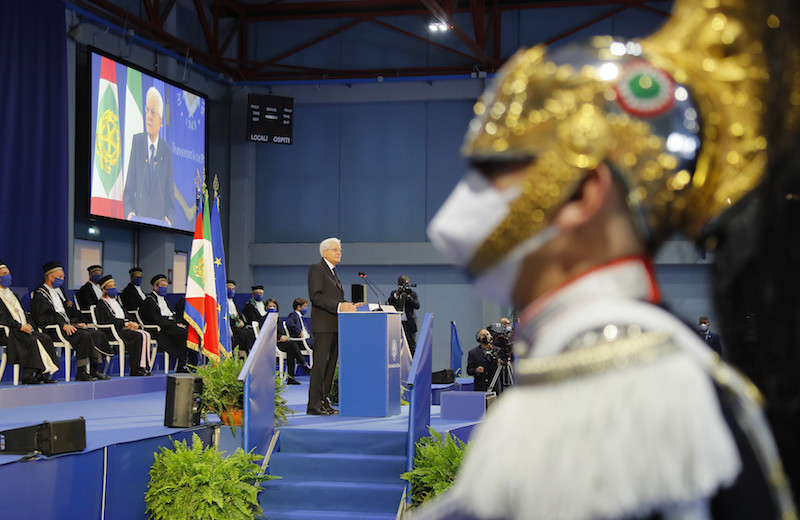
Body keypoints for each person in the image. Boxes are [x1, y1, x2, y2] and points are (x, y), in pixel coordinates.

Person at [419, 0, 794, 516]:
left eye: (494, 170)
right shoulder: (637, 352)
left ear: (580, 194)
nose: (463, 202)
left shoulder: (610, 373)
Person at [30, 262, 113, 381]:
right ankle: (81, 371)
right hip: (53, 330)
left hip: (67, 327)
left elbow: (66, 314)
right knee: (83, 336)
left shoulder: (57, 294)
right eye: (60, 277)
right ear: (50, 277)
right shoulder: (40, 295)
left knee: (97, 334)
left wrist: (76, 323)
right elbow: (42, 318)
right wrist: (63, 325)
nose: (62, 280)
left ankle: (95, 369)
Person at [306, 237, 358, 415]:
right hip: (323, 325)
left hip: (336, 325)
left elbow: (335, 299)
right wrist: (339, 306)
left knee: (330, 366)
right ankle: (313, 405)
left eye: (340, 250)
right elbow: (316, 297)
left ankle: (324, 401)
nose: (339, 252)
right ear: (324, 252)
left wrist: (348, 305)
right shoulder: (317, 269)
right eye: (335, 249)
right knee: (320, 365)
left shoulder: (334, 272)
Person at [122, 86, 175, 226]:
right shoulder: (137, 142)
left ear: (160, 120)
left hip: (159, 225)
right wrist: (129, 214)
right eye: (147, 110)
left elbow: (170, 200)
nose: (149, 116)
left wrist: (169, 220)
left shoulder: (166, 151)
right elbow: (128, 191)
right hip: (137, 222)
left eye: (153, 112)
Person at [0, 261, 59, 384]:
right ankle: (27, 376)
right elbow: (2, 318)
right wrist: (20, 327)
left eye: (9, 273)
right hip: (8, 331)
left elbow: (21, 313)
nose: (8, 276)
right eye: (4, 274)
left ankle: (41, 374)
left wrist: (29, 324)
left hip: (21, 329)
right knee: (31, 340)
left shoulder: (12, 294)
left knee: (45, 338)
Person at [94, 274, 153, 376]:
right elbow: (107, 320)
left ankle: (144, 367)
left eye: (114, 286)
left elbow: (126, 316)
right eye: (110, 287)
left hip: (123, 329)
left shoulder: (117, 302)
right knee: (138, 336)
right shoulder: (101, 303)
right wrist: (125, 323)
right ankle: (135, 369)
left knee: (145, 334)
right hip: (112, 331)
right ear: (104, 290)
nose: (113, 288)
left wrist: (132, 323)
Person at [139, 274, 192, 372]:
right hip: (161, 330)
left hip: (169, 326)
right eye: (162, 286)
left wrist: (177, 323)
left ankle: (188, 365)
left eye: (166, 286)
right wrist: (173, 324)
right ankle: (181, 366)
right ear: (155, 286)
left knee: (189, 332)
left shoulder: (164, 300)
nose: (165, 288)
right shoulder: (149, 300)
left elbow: (171, 315)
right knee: (185, 334)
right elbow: (155, 319)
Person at [283, 297, 313, 385]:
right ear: (298, 307)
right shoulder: (293, 315)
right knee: (320, 346)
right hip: (300, 341)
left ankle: (310, 367)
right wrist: (299, 331)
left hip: (306, 340)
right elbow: (290, 324)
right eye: (305, 306)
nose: (306, 308)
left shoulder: (301, 317)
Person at [387, 275, 420, 355]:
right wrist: (397, 294)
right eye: (403, 284)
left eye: (407, 284)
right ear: (399, 284)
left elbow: (417, 306)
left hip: (409, 323)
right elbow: (389, 302)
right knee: (397, 344)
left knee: (411, 345)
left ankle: (412, 365)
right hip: (398, 323)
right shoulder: (394, 293)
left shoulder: (412, 293)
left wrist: (408, 297)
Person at [225, 280, 255, 359]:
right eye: (229, 288)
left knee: (250, 333)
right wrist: (236, 323)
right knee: (245, 334)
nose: (231, 291)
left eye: (233, 289)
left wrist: (241, 322)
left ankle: (248, 355)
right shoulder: (223, 303)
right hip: (230, 327)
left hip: (238, 327)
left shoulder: (233, 303)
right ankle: (244, 355)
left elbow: (239, 316)